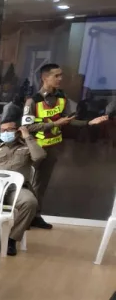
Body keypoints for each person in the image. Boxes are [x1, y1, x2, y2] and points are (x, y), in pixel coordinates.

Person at [23, 63, 109, 229]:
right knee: (29, 183)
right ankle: (24, 216)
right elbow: (27, 127)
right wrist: (55, 124)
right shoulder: (33, 101)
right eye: (56, 75)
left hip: (52, 148)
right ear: (45, 78)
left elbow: (67, 121)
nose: (60, 79)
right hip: (34, 149)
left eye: (61, 75)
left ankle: (35, 216)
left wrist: (88, 123)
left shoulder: (62, 98)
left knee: (41, 184)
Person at [0, 117, 44, 256]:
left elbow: (40, 156)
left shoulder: (27, 147)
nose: (6, 133)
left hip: (16, 190)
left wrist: (27, 136)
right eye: (3, 130)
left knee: (30, 202)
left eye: (9, 130)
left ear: (18, 131)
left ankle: (11, 239)